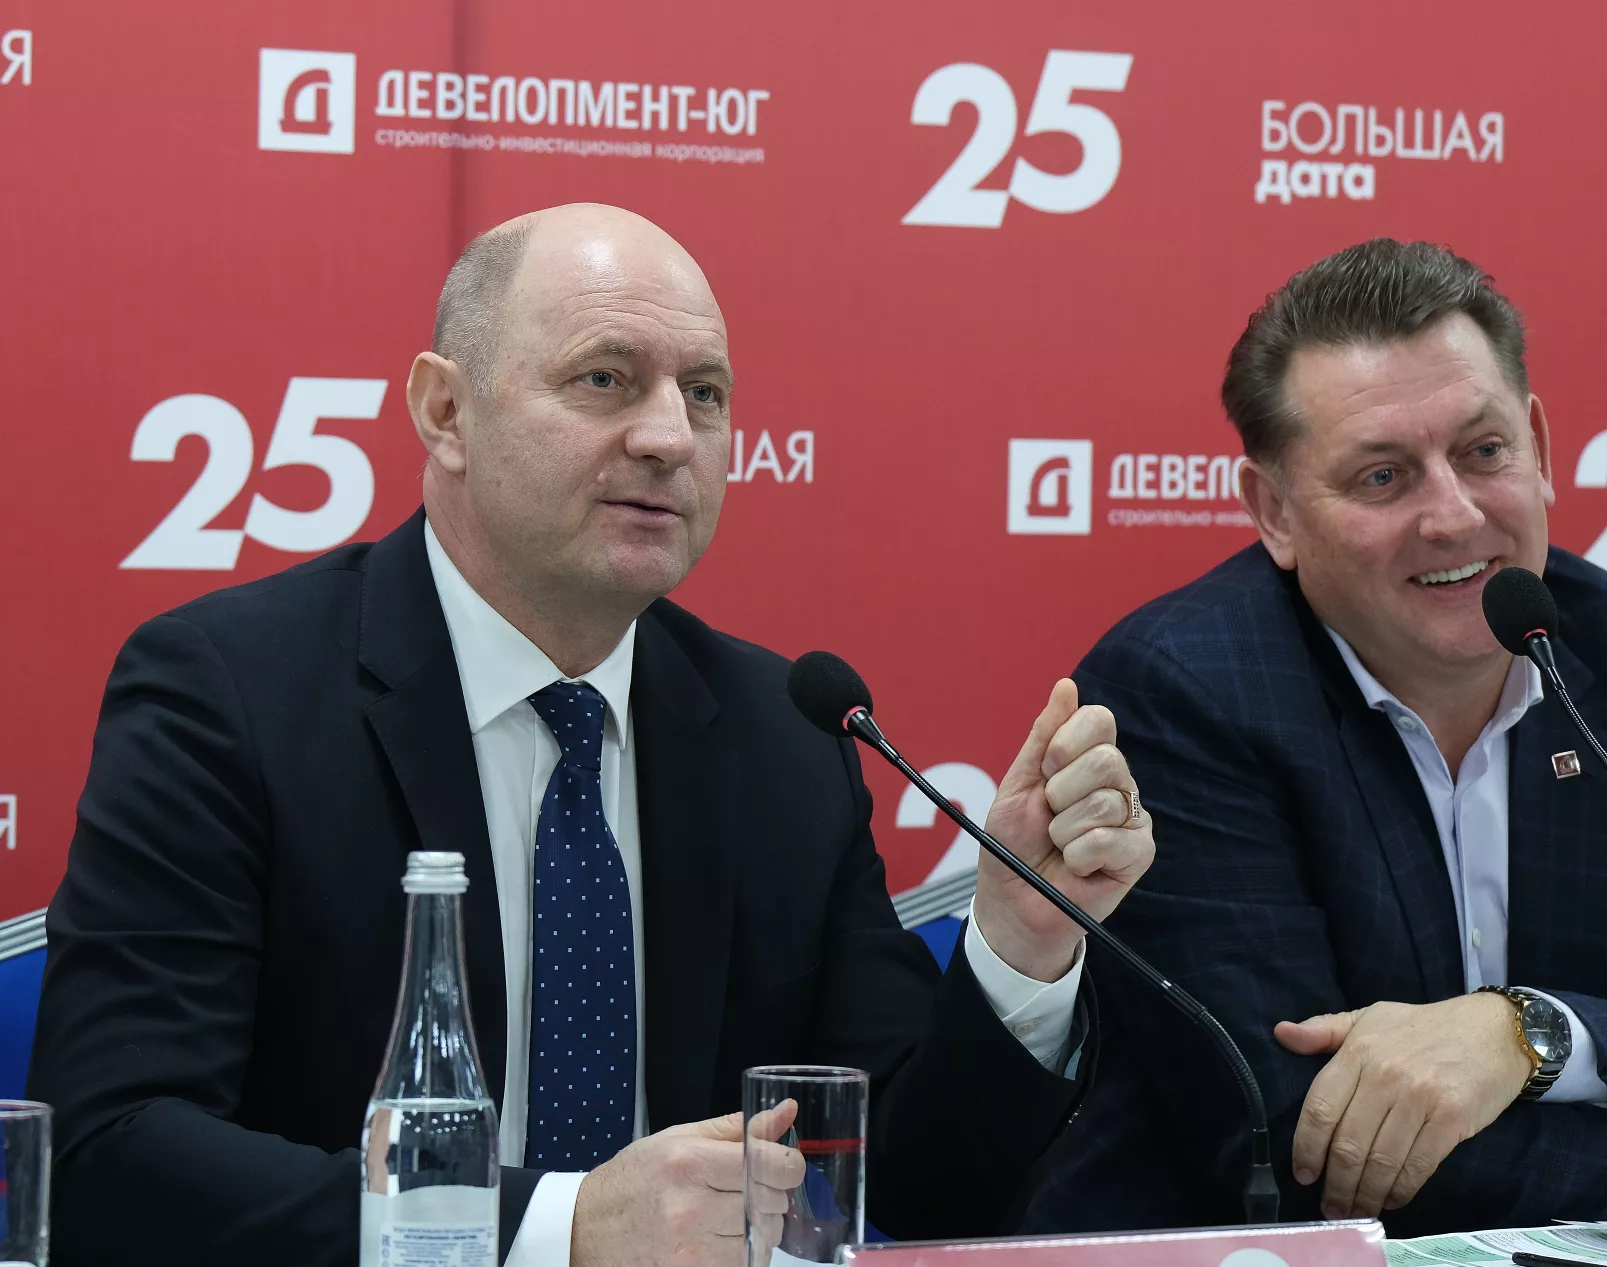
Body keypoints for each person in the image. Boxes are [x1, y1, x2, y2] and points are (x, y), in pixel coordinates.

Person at [28, 204, 1157, 1266]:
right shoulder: (232, 694)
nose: (668, 435)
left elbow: (907, 1192)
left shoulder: (782, 738)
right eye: (605, 377)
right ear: (445, 412)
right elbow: (109, 1153)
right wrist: (560, 1226)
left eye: (704, 394)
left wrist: (1018, 944)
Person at [1024, 239, 1607, 1234]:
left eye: (1483, 451)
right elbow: (1291, 1137)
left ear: (1538, 446)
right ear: (1274, 513)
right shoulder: (1186, 691)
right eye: (1383, 476)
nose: (1454, 516)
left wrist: (1527, 1033)